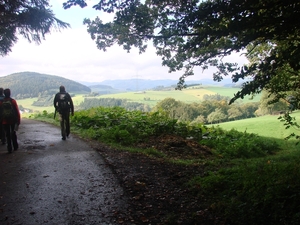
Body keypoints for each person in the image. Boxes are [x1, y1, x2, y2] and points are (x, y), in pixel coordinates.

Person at [0, 88, 21, 153]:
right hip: (12, 120)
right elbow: (17, 111)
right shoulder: (13, 101)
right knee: (13, 133)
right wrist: (18, 120)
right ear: (10, 93)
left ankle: (9, 148)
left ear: (4, 93)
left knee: (7, 134)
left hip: (4, 121)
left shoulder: (1, 102)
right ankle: (15, 146)